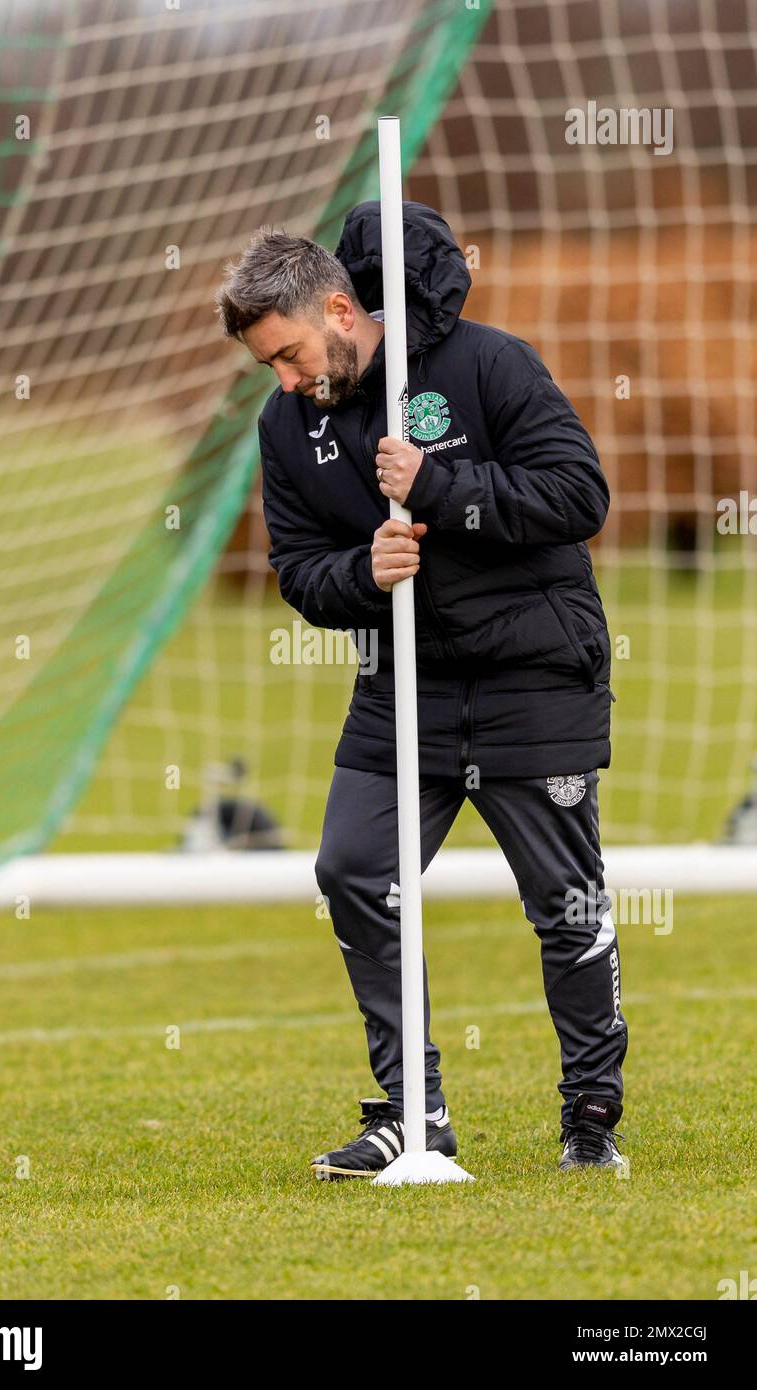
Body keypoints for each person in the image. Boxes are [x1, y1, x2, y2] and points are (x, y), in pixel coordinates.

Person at [215, 200, 627, 1179]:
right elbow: (301, 572)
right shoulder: (287, 427)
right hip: (403, 687)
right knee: (353, 868)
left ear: (336, 309)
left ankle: (590, 1117)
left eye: (290, 355)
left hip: (536, 675)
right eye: (269, 367)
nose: (286, 380)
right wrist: (366, 574)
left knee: (564, 904)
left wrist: (444, 489)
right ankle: (414, 1113)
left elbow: (580, 497)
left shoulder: (488, 363)